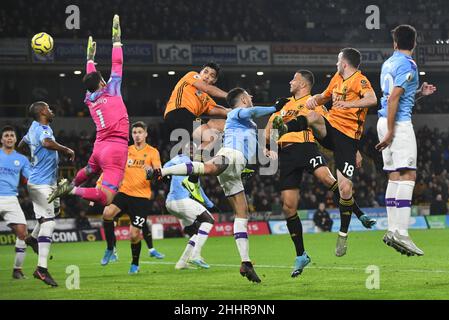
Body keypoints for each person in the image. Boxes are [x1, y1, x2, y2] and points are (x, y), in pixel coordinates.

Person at [150, 87, 288, 283]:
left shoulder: (247, 124)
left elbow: (255, 145)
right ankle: (162, 172)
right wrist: (274, 107)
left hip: (235, 170)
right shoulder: (236, 113)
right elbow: (252, 111)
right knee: (208, 168)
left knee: (242, 213)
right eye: (249, 95)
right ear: (243, 99)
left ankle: (246, 262)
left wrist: (268, 150)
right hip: (230, 156)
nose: (252, 97)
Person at [265, 70, 376, 274]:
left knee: (327, 179)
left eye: (293, 79)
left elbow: (335, 130)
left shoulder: (314, 103)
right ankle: (301, 255)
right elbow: (270, 129)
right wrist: (269, 146)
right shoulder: (283, 105)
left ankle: (358, 213)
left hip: (306, 148)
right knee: (288, 207)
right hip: (286, 156)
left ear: (303, 84)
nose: (290, 81)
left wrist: (354, 150)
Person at [48, 15, 128, 208]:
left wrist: (89, 59)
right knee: (106, 198)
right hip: (115, 147)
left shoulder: (89, 98)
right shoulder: (111, 89)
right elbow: (117, 64)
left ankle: (72, 184)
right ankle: (71, 189)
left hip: (100, 146)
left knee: (90, 169)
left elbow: (90, 77)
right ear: (102, 82)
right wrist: (116, 42)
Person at [376, 25, 436, 256]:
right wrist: (392, 131)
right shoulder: (408, 64)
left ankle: (392, 230)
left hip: (384, 122)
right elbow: (394, 99)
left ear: (394, 43)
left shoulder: (388, 63)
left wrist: (419, 92)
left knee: (394, 176)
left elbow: (399, 97)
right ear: (415, 43)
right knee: (408, 175)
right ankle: (402, 233)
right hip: (397, 125)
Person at [18, 102, 75, 287]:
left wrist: (31, 159)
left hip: (47, 183)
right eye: (49, 108)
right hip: (40, 184)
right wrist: (66, 149)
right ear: (42, 112)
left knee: (54, 211)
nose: (51, 111)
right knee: (49, 223)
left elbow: (22, 144)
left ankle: (33, 238)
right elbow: (46, 142)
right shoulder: (42, 129)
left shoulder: (33, 127)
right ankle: (41, 270)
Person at [164, 62, 230, 203]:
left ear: (215, 80)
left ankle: (189, 174)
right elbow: (207, 88)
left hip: (182, 119)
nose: (207, 76)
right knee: (211, 136)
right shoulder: (191, 76)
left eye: (211, 75)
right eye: (205, 72)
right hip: (178, 112)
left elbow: (220, 111)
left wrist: (241, 109)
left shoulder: (205, 98)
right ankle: (192, 178)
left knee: (213, 135)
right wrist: (231, 95)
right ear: (200, 72)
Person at [164, 146, 216, 270]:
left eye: (194, 150)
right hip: (180, 200)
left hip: (172, 203)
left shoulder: (193, 168)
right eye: (190, 149)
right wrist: (165, 171)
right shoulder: (183, 159)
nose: (192, 151)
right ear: (184, 151)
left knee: (195, 233)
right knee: (209, 220)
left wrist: (210, 205)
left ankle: (182, 263)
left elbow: (198, 189)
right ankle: (196, 255)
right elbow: (168, 164)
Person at [0, 126, 31, 279]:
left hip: (11, 199)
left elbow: (31, 178)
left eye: (12, 135)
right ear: (1, 139)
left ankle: (17, 270)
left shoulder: (22, 159)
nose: (9, 138)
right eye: (6, 135)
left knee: (23, 233)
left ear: (16, 139)